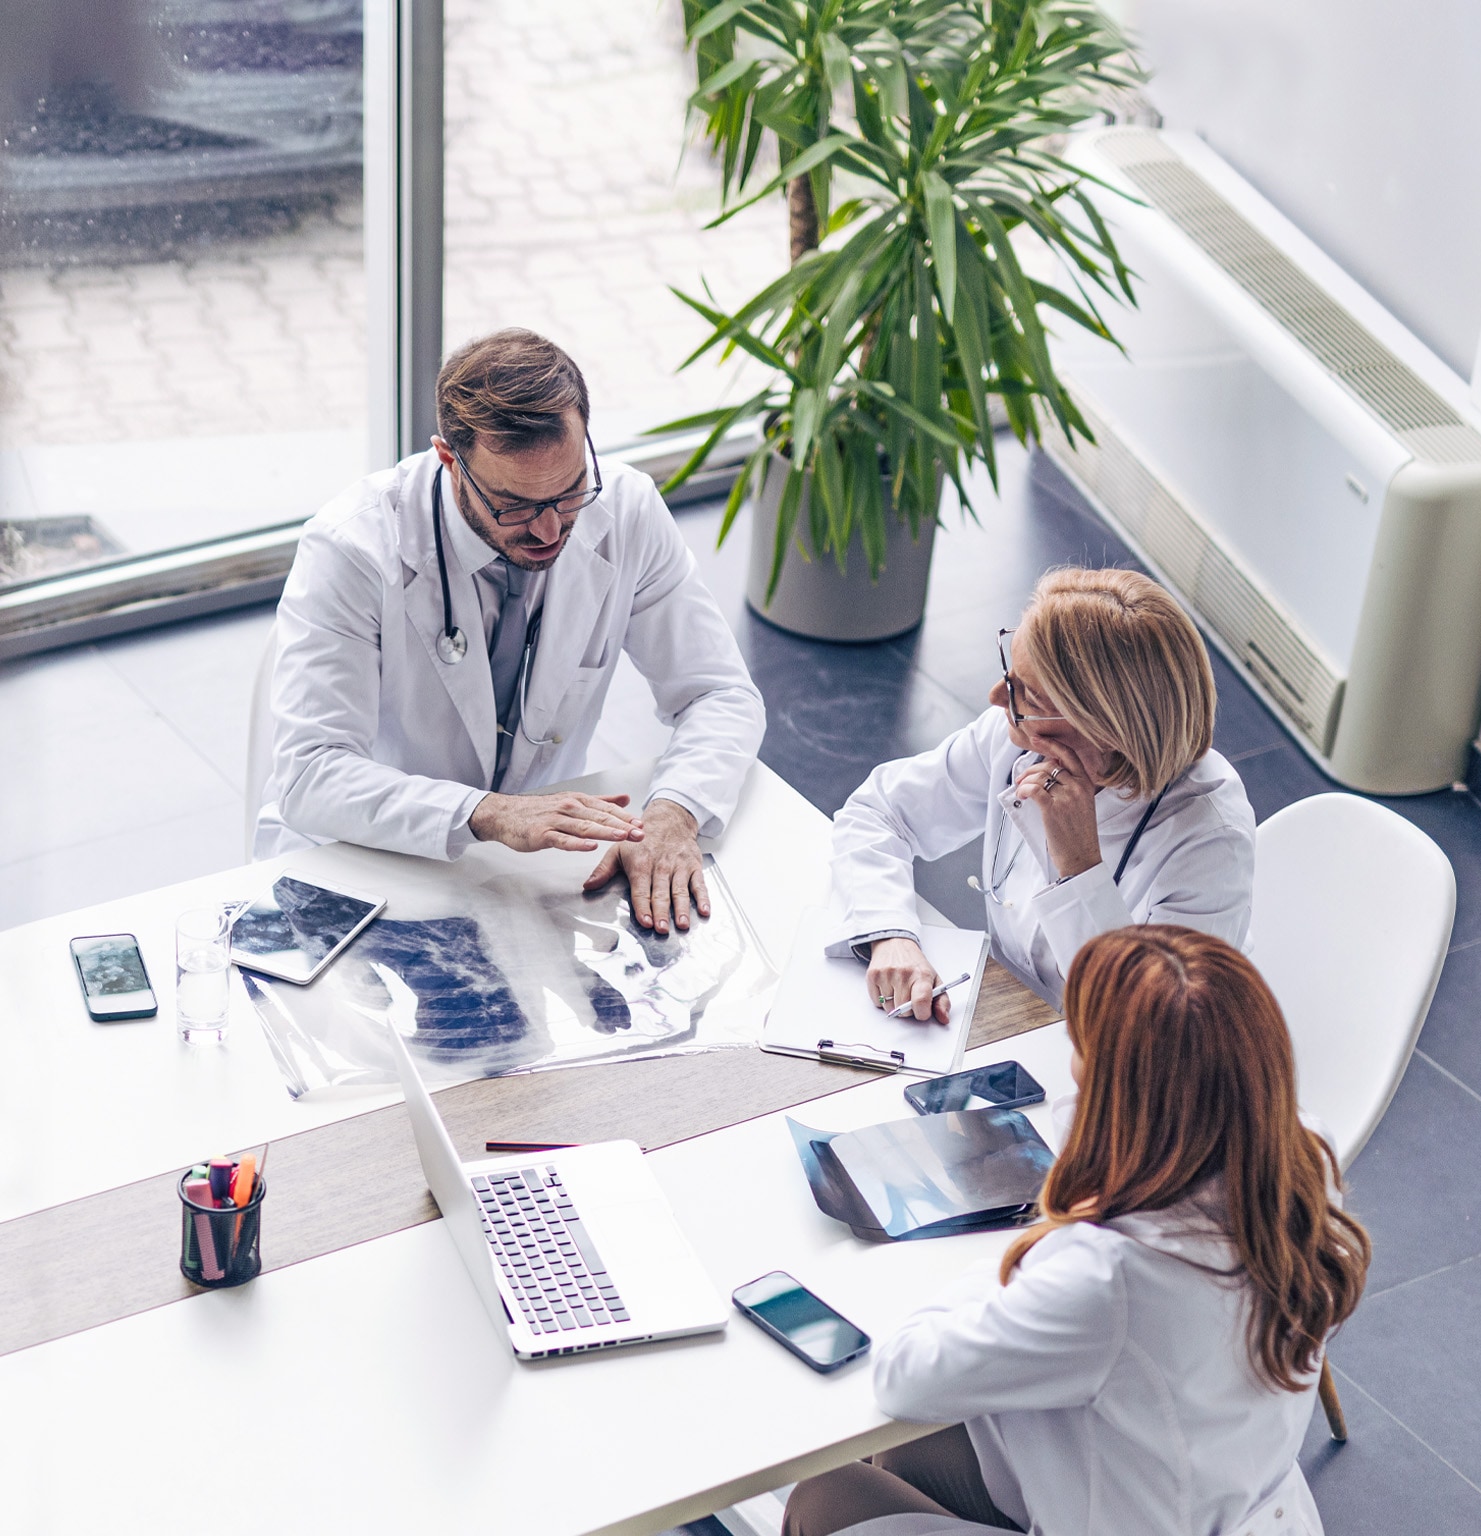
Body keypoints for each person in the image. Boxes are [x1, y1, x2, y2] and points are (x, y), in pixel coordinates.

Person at [783, 925, 1372, 1536]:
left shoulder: (1108, 1277)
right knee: (908, 1451)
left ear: (1114, 1090)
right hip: (1226, 1500)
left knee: (824, 1497)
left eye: (1080, 1044)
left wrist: (1027, 1246)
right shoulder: (1301, 1158)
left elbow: (900, 1376)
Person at [255, 328, 766, 934]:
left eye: (570, 492)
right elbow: (311, 775)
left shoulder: (626, 509)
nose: (549, 531)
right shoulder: (353, 547)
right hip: (364, 860)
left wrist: (675, 813)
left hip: (528, 868)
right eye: (514, 506)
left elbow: (719, 693)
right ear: (449, 459)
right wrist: (488, 813)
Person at [827, 567, 1255, 1016]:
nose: (997, 696)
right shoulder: (1019, 738)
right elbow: (879, 811)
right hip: (1006, 1010)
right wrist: (891, 934)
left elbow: (1154, 1028)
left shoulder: (1211, 843)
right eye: (1010, 673)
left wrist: (1080, 866)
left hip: (1107, 1049)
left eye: (1027, 694)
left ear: (1104, 726)